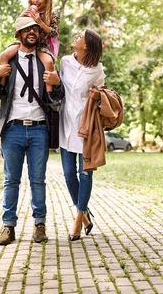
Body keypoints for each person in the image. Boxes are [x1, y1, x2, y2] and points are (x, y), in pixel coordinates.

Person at [0, 16, 64, 246]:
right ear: (18, 34)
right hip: (13, 130)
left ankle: (40, 225)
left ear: (39, 35)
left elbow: (56, 99)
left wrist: (57, 82)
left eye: (35, 29)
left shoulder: (44, 61)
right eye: (27, 29)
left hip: (39, 130)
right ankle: (8, 227)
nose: (32, 32)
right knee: (11, 180)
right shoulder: (8, 60)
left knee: (38, 180)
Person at [58, 29, 105, 241]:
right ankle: (84, 213)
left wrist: (97, 97)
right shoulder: (66, 62)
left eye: (81, 36)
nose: (76, 36)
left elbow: (103, 100)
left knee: (85, 173)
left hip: (85, 128)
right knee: (69, 174)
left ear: (87, 46)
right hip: (65, 125)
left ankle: (78, 221)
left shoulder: (97, 71)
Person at [0, 0, 61, 106]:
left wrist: (40, 22)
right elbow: (18, 30)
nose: (36, 1)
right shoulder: (29, 10)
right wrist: (21, 16)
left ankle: (49, 94)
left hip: (42, 45)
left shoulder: (53, 13)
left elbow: (54, 33)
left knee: (48, 62)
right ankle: (0, 86)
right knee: (4, 55)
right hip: (26, 42)